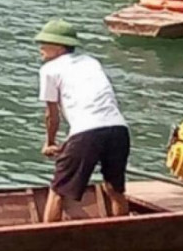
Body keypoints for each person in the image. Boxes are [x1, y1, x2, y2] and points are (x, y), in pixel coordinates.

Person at [35, 19, 130, 222]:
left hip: (87, 131)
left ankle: (45, 241)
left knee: (58, 190)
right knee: (115, 189)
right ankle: (121, 236)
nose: (40, 48)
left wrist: (50, 143)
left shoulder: (49, 70)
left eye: (45, 43)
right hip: (119, 129)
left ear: (59, 47)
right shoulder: (90, 61)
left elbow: (52, 114)